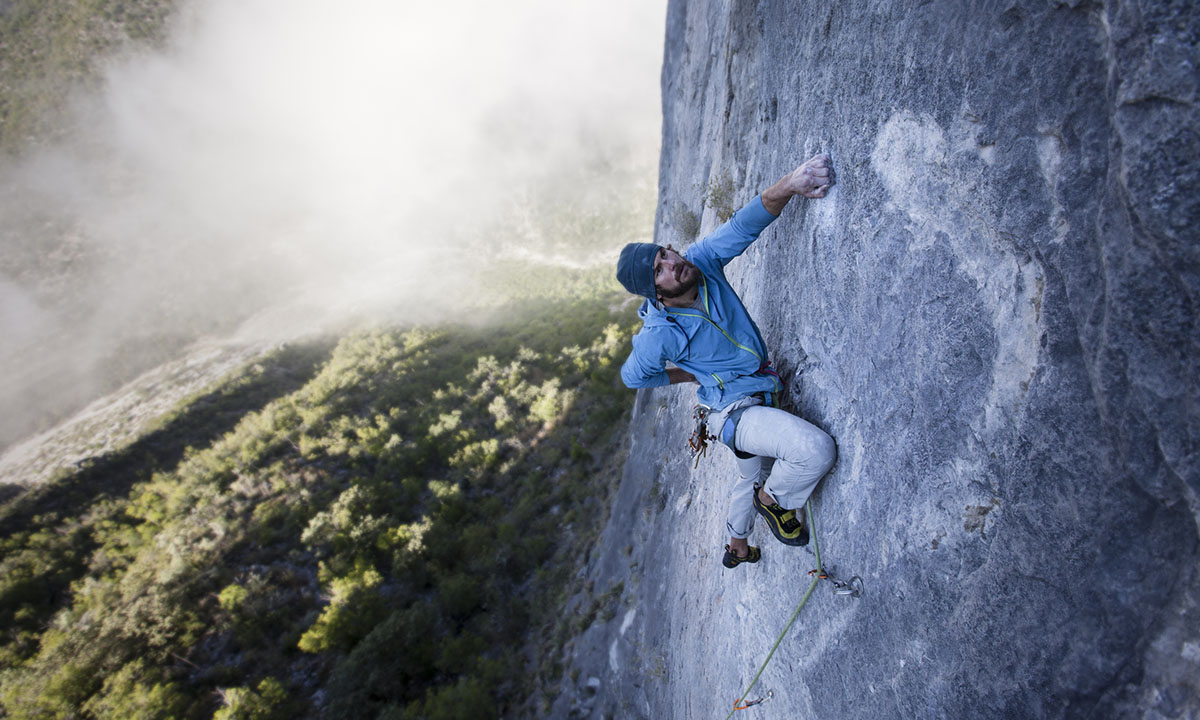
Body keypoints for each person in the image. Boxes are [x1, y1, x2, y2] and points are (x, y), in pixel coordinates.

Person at [616, 154, 838, 569]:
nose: (673, 262)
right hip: (734, 412)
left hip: (752, 394)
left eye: (665, 253)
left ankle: (737, 545)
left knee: (747, 476)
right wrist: (686, 375)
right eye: (660, 269)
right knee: (813, 451)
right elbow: (634, 376)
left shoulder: (701, 262)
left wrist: (791, 183)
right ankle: (774, 501)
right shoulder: (659, 334)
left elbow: (744, 224)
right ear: (655, 292)